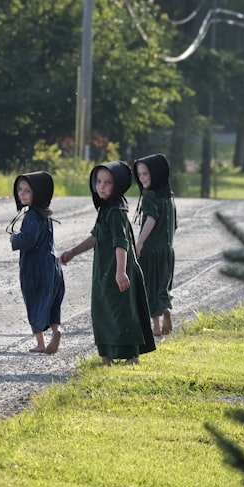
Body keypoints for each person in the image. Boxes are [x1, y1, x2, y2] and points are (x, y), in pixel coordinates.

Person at [59, 161, 156, 365]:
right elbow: (96, 236)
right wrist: (73, 252)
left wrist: (121, 272)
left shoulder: (116, 212)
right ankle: (107, 356)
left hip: (117, 271)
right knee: (102, 311)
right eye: (98, 181)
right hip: (104, 271)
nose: (101, 186)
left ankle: (132, 356)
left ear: (118, 185)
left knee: (122, 312)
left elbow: (121, 243)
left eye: (108, 183)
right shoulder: (106, 209)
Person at [9, 171, 65, 354]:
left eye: (27, 191)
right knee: (52, 301)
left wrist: (15, 239)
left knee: (33, 300)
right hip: (52, 264)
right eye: (20, 190)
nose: (21, 194)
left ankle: (41, 343)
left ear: (37, 193)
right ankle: (57, 330)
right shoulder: (45, 214)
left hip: (35, 268)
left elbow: (29, 240)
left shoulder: (31, 215)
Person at [133, 153, 177, 339]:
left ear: (156, 174)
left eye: (145, 174)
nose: (142, 178)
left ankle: (156, 326)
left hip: (151, 249)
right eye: (140, 174)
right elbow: (174, 225)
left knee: (148, 286)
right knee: (163, 284)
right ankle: (166, 310)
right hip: (167, 249)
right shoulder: (169, 198)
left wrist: (140, 242)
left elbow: (151, 219)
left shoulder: (150, 196)